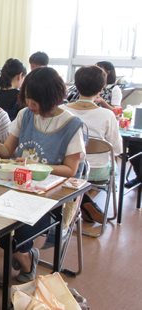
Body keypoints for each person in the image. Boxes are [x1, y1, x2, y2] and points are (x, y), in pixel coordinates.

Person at [0, 67, 86, 283]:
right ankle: (24, 255)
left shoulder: (71, 125)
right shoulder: (25, 115)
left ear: (51, 97)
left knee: (14, 231)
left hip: (49, 197)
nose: (30, 103)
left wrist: (31, 165)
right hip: (18, 188)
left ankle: (25, 257)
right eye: (27, 96)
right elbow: (7, 152)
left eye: (35, 99)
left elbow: (70, 170)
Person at [62, 65, 122, 223]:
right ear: (101, 89)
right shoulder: (107, 115)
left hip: (67, 168)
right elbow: (117, 149)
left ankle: (80, 200)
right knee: (114, 170)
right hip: (97, 171)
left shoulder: (61, 110)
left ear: (76, 85)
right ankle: (85, 200)